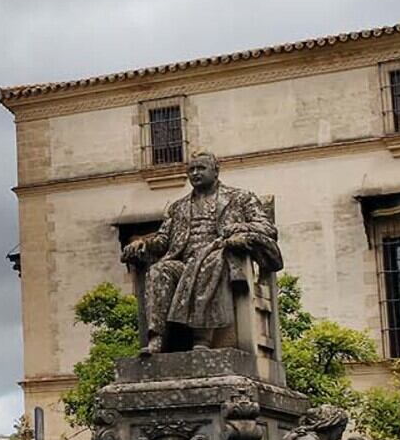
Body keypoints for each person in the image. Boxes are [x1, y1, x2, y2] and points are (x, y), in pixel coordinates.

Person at [121, 151, 282, 354]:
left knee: (211, 261)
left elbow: (267, 228)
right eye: (191, 170)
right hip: (184, 263)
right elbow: (163, 241)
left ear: (215, 171)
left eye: (201, 168)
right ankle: (157, 338)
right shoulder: (178, 207)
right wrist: (142, 244)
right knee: (159, 270)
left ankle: (202, 338)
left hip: (221, 255)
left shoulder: (239, 198)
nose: (195, 173)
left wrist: (239, 230)